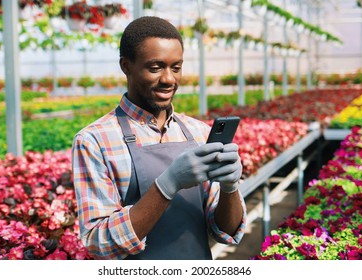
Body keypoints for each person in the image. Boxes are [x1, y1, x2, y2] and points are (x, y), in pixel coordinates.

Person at [72, 16, 246, 260]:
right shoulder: (94, 140)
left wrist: (230, 187)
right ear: (126, 66)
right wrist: (167, 185)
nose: (168, 79)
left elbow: (226, 232)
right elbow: (99, 244)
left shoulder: (198, 132)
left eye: (176, 67)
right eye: (155, 67)